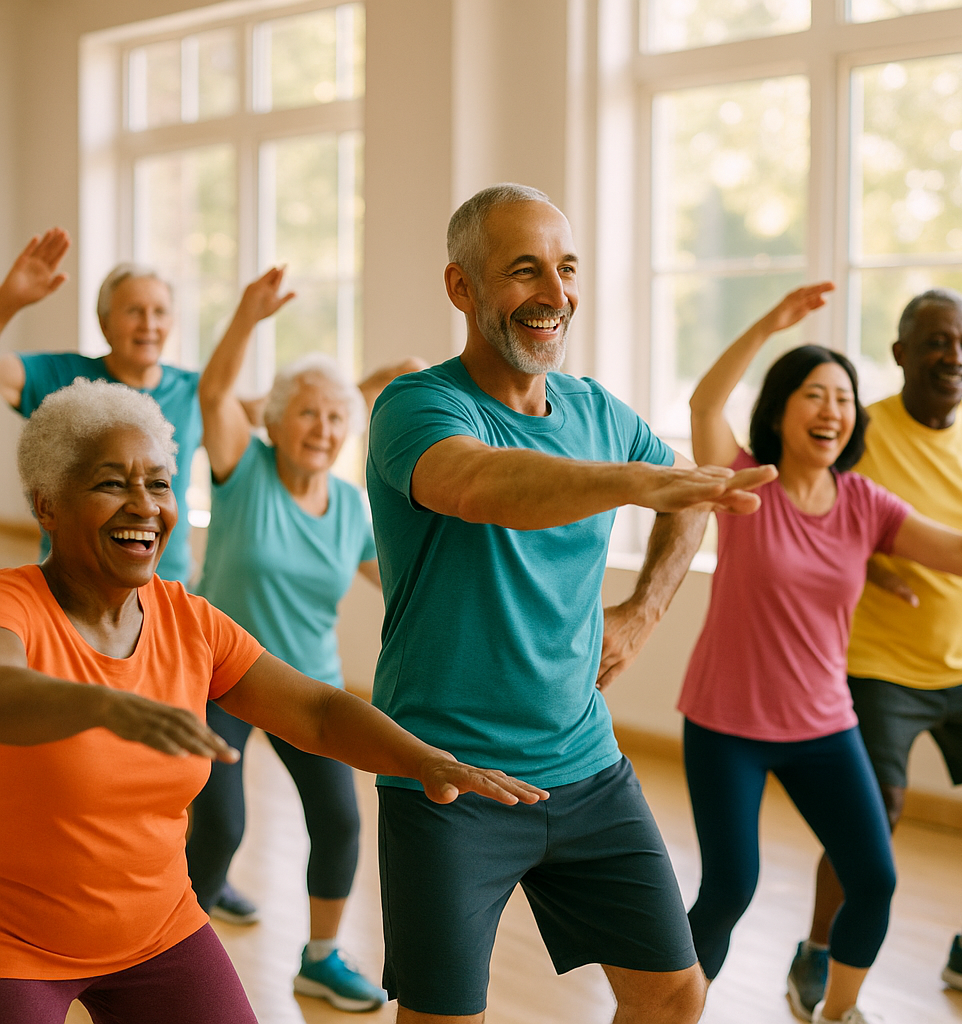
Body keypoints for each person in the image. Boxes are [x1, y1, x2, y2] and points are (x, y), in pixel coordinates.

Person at [0, 377, 545, 1024]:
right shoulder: (15, 605)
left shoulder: (190, 620)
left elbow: (313, 712)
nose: (144, 506)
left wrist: (422, 759)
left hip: (158, 931)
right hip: (18, 944)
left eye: (159, 483)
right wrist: (105, 706)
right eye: (112, 483)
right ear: (47, 505)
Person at [365, 182, 777, 1024]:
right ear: (462, 288)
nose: (555, 296)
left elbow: (690, 498)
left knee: (671, 995)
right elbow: (486, 486)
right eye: (524, 272)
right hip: (451, 780)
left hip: (588, 771)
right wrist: (641, 480)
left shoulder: (596, 409)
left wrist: (644, 610)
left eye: (566, 269)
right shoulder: (419, 406)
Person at [682, 284, 962, 1024]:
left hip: (822, 724)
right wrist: (770, 322)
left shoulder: (864, 501)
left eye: (843, 397)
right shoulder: (744, 481)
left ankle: (837, 1011)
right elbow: (706, 406)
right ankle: (666, 1010)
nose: (832, 410)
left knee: (873, 878)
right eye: (814, 394)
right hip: (727, 725)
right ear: (780, 409)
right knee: (730, 889)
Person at [186, 267, 419, 1011]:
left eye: (334, 419)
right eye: (308, 415)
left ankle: (320, 957)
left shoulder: (351, 507)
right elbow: (215, 396)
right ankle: (171, 943)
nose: (322, 429)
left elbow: (404, 582)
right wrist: (248, 316)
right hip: (219, 674)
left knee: (342, 820)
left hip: (302, 684)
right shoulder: (242, 470)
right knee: (220, 822)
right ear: (278, 421)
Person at [789, 288, 962, 1013]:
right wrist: (872, 562)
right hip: (879, 666)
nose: (953, 357)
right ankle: (818, 951)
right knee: (873, 812)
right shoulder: (860, 431)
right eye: (935, 343)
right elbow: (813, 515)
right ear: (898, 354)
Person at [0, 231, 200, 583]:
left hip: (162, 588)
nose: (149, 325)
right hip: (72, 587)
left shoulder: (194, 391)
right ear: (104, 322)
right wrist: (9, 300)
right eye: (134, 311)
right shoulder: (62, 376)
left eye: (160, 312)